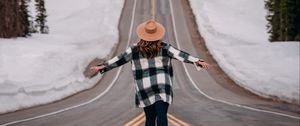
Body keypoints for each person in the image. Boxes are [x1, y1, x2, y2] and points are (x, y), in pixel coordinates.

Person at [90, 19, 209, 126]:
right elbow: (181, 55)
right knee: (162, 115)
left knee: (150, 118)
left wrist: (102, 67)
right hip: (163, 85)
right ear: (158, 35)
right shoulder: (165, 47)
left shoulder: (134, 49)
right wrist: (197, 61)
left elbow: (119, 59)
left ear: (142, 35)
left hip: (144, 87)